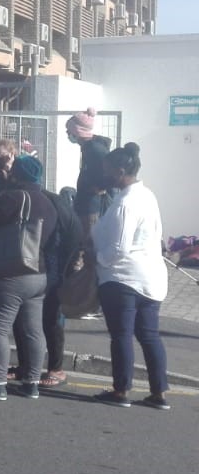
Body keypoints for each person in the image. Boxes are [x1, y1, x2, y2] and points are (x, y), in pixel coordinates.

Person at [0, 155, 55, 401]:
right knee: (33, 330)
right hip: (40, 273)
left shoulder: (14, 197)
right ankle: (32, 384)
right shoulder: (47, 202)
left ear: (17, 174)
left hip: (12, 272)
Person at [91, 143, 170, 410]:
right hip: (151, 278)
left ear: (120, 171)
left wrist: (96, 259)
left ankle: (121, 390)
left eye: (108, 170)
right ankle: (159, 393)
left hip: (122, 279)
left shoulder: (125, 203)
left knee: (122, 335)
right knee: (149, 335)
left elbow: (118, 248)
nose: (105, 175)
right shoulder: (148, 195)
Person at [6, 159, 81, 388]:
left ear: (18, 176)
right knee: (22, 320)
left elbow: (75, 234)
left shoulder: (46, 200)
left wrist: (66, 266)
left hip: (50, 270)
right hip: (36, 269)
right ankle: (25, 366)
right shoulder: (40, 198)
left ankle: (56, 369)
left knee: (50, 320)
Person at [67, 108, 114, 238]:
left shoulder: (95, 150)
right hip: (85, 204)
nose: (67, 134)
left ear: (78, 132)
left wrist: (99, 188)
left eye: (69, 131)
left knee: (89, 242)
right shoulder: (87, 148)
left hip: (92, 207)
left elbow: (111, 174)